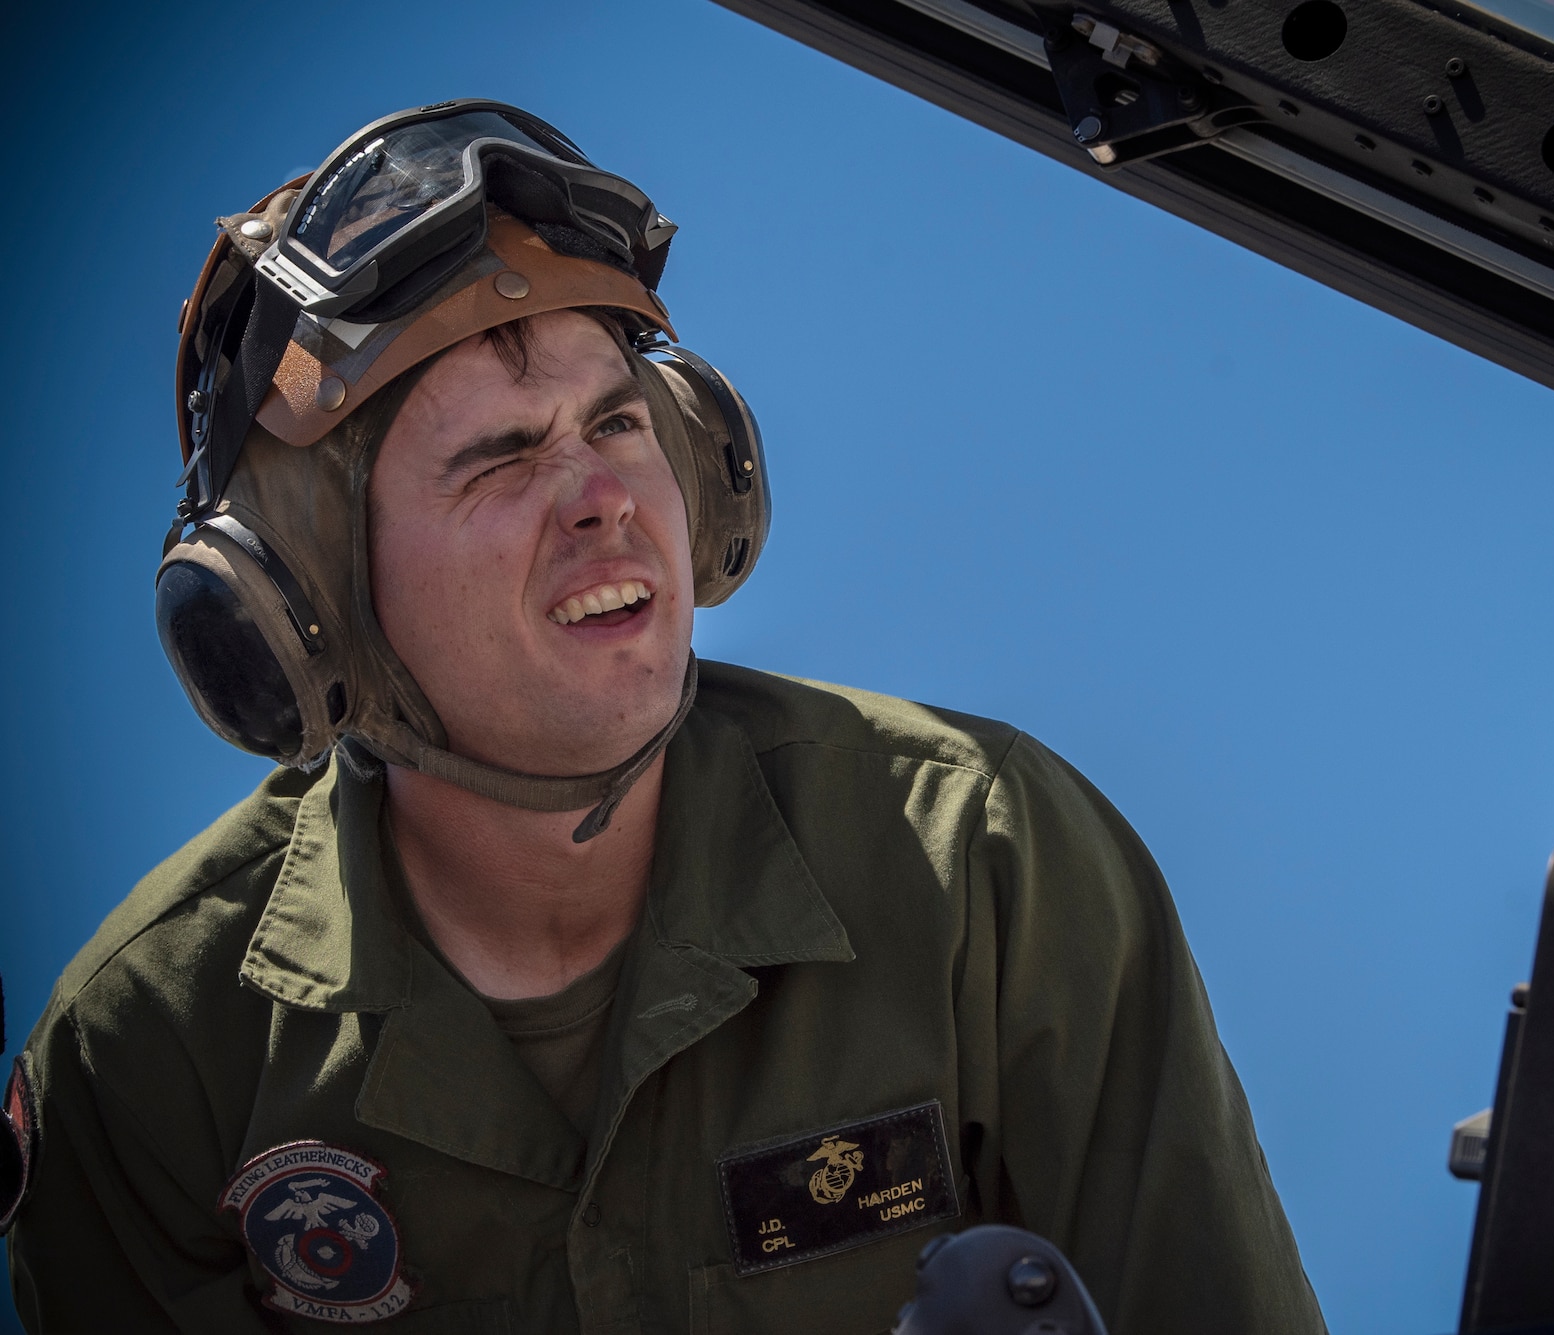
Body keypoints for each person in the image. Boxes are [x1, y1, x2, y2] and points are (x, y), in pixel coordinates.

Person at [1, 101, 1323, 1333]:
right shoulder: (153, 1053)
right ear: (308, 605)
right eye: (502, 459)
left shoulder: (982, 867)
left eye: (621, 424)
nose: (601, 496)